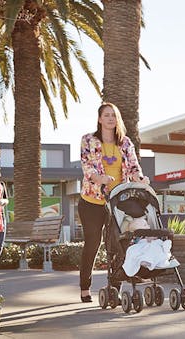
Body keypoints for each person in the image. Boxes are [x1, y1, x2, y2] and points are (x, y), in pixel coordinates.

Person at [78, 102, 148, 303]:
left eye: (113, 115)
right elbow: (87, 166)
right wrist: (99, 179)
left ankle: (114, 286)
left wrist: (140, 178)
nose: (110, 118)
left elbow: (134, 167)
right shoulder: (88, 140)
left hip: (118, 200)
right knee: (93, 243)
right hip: (92, 200)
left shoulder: (125, 143)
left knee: (117, 243)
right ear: (100, 119)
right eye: (106, 115)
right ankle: (85, 286)